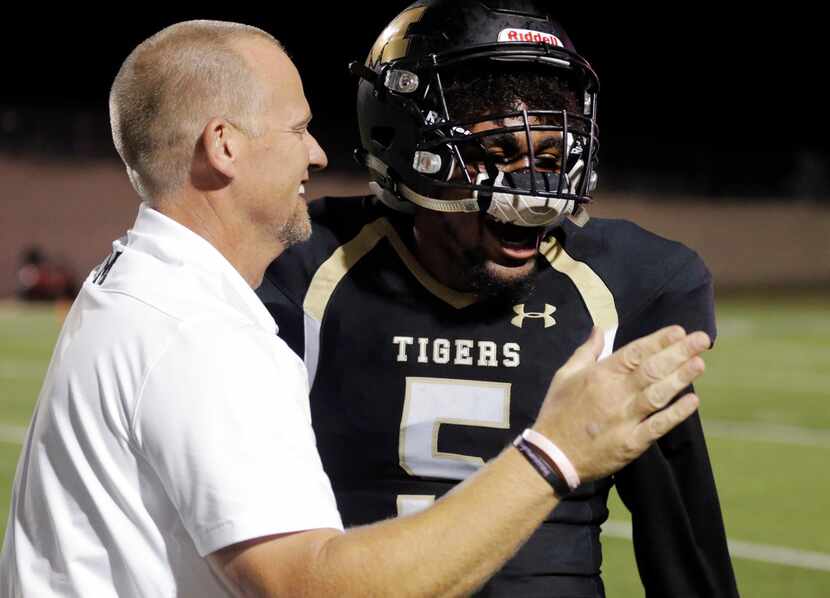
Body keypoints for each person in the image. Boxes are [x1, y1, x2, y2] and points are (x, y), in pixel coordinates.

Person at [0, 18, 708, 598]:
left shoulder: (138, 284)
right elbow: (310, 590)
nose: (315, 152)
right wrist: (556, 451)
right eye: (296, 127)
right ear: (224, 145)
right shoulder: (205, 332)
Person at [257, 1, 739, 597]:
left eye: (551, 159)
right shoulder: (300, 271)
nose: (533, 191)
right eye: (501, 156)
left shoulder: (629, 286)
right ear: (409, 145)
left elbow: (684, 545)